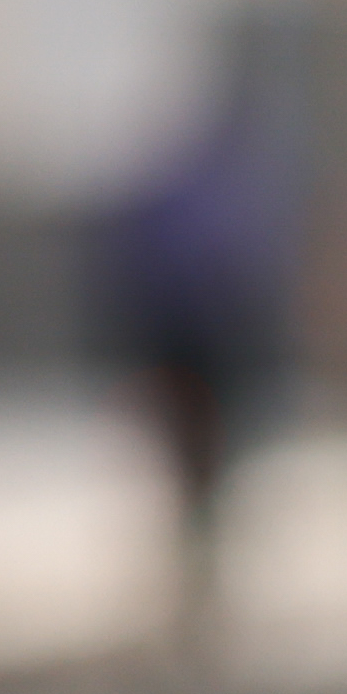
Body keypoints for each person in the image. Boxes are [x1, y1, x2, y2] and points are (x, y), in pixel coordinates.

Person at [91, 81, 289, 660]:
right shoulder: (222, 198)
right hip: (205, 350)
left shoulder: (174, 197)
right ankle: (198, 575)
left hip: (183, 349)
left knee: (190, 471)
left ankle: (194, 574)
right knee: (204, 471)